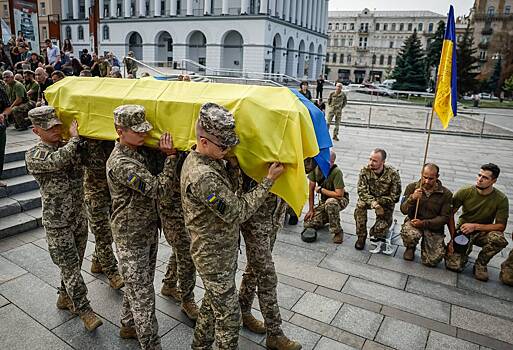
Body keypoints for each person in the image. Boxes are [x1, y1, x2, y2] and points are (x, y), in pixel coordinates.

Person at [180, 102, 284, 350]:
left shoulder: (209, 161)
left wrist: (235, 167)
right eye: (223, 146)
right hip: (212, 255)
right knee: (229, 319)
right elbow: (239, 211)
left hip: (220, 251)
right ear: (203, 141)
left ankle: (200, 345)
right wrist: (268, 181)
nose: (228, 150)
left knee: (210, 303)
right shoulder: (203, 176)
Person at [25, 106, 103, 331]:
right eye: (50, 128)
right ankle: (84, 309)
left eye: (59, 125)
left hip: (78, 216)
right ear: (36, 131)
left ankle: (64, 296)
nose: (57, 130)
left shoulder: (70, 146)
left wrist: (90, 140)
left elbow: (93, 164)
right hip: (57, 222)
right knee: (69, 267)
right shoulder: (35, 155)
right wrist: (76, 140)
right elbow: (57, 161)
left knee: (75, 264)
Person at [106, 104, 177, 349]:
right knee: (144, 295)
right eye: (137, 131)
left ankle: (128, 324)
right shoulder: (121, 163)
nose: (143, 134)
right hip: (130, 236)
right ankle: (151, 343)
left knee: (139, 283)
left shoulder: (137, 151)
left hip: (145, 229)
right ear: (120, 131)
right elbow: (158, 189)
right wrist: (170, 158)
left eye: (144, 129)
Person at [238, 173, 302, 350]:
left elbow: (304, 166)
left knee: (254, 268)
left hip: (274, 216)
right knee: (267, 276)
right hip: (256, 218)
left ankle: (243, 310)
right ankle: (274, 334)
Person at [446, 163, 509, 281]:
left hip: (482, 232)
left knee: (498, 239)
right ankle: (460, 252)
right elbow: (449, 214)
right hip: (463, 232)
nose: (480, 179)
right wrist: (452, 238)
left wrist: (475, 226)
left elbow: (501, 226)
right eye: (479, 175)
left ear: (494, 181)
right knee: (454, 266)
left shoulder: (501, 199)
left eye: (485, 178)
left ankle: (481, 264)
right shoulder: (465, 192)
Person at [157, 149, 199, 320]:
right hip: (171, 204)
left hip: (186, 202)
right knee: (186, 251)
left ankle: (169, 283)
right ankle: (187, 299)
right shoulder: (165, 146)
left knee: (181, 248)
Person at [83, 138, 124, 290]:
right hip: (94, 195)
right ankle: (112, 273)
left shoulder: (110, 139)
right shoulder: (85, 142)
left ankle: (97, 261)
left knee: (108, 233)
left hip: (111, 191)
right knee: (103, 234)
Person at [399, 163, 452, 266]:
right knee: (410, 234)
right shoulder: (412, 187)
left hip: (433, 227)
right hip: (414, 223)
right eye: (425, 177)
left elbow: (444, 218)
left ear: (437, 177)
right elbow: (403, 210)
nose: (427, 181)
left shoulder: (446, 194)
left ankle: (430, 248)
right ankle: (410, 247)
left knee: (431, 261)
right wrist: (412, 198)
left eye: (431, 178)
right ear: (421, 174)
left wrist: (423, 223)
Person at [354, 148, 401, 253]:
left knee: (378, 233)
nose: (371, 163)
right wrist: (374, 203)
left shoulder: (393, 173)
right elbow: (361, 192)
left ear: (383, 162)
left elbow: (395, 197)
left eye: (375, 161)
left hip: (385, 202)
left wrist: (380, 202)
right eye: (370, 159)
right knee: (360, 205)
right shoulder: (365, 171)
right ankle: (361, 236)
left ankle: (377, 231)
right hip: (370, 200)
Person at [303, 151, 349, 244]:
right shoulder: (316, 168)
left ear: (333, 162)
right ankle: (329, 216)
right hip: (325, 201)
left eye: (330, 162)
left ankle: (337, 231)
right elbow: (311, 189)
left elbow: (339, 194)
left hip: (339, 200)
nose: (327, 164)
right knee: (308, 223)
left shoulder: (337, 172)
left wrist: (322, 190)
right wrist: (311, 209)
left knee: (331, 202)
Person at [0, 81, 11, 187]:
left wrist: (3, 114)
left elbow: (8, 107)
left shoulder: (1, 91)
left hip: (0, 127)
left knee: (0, 153)